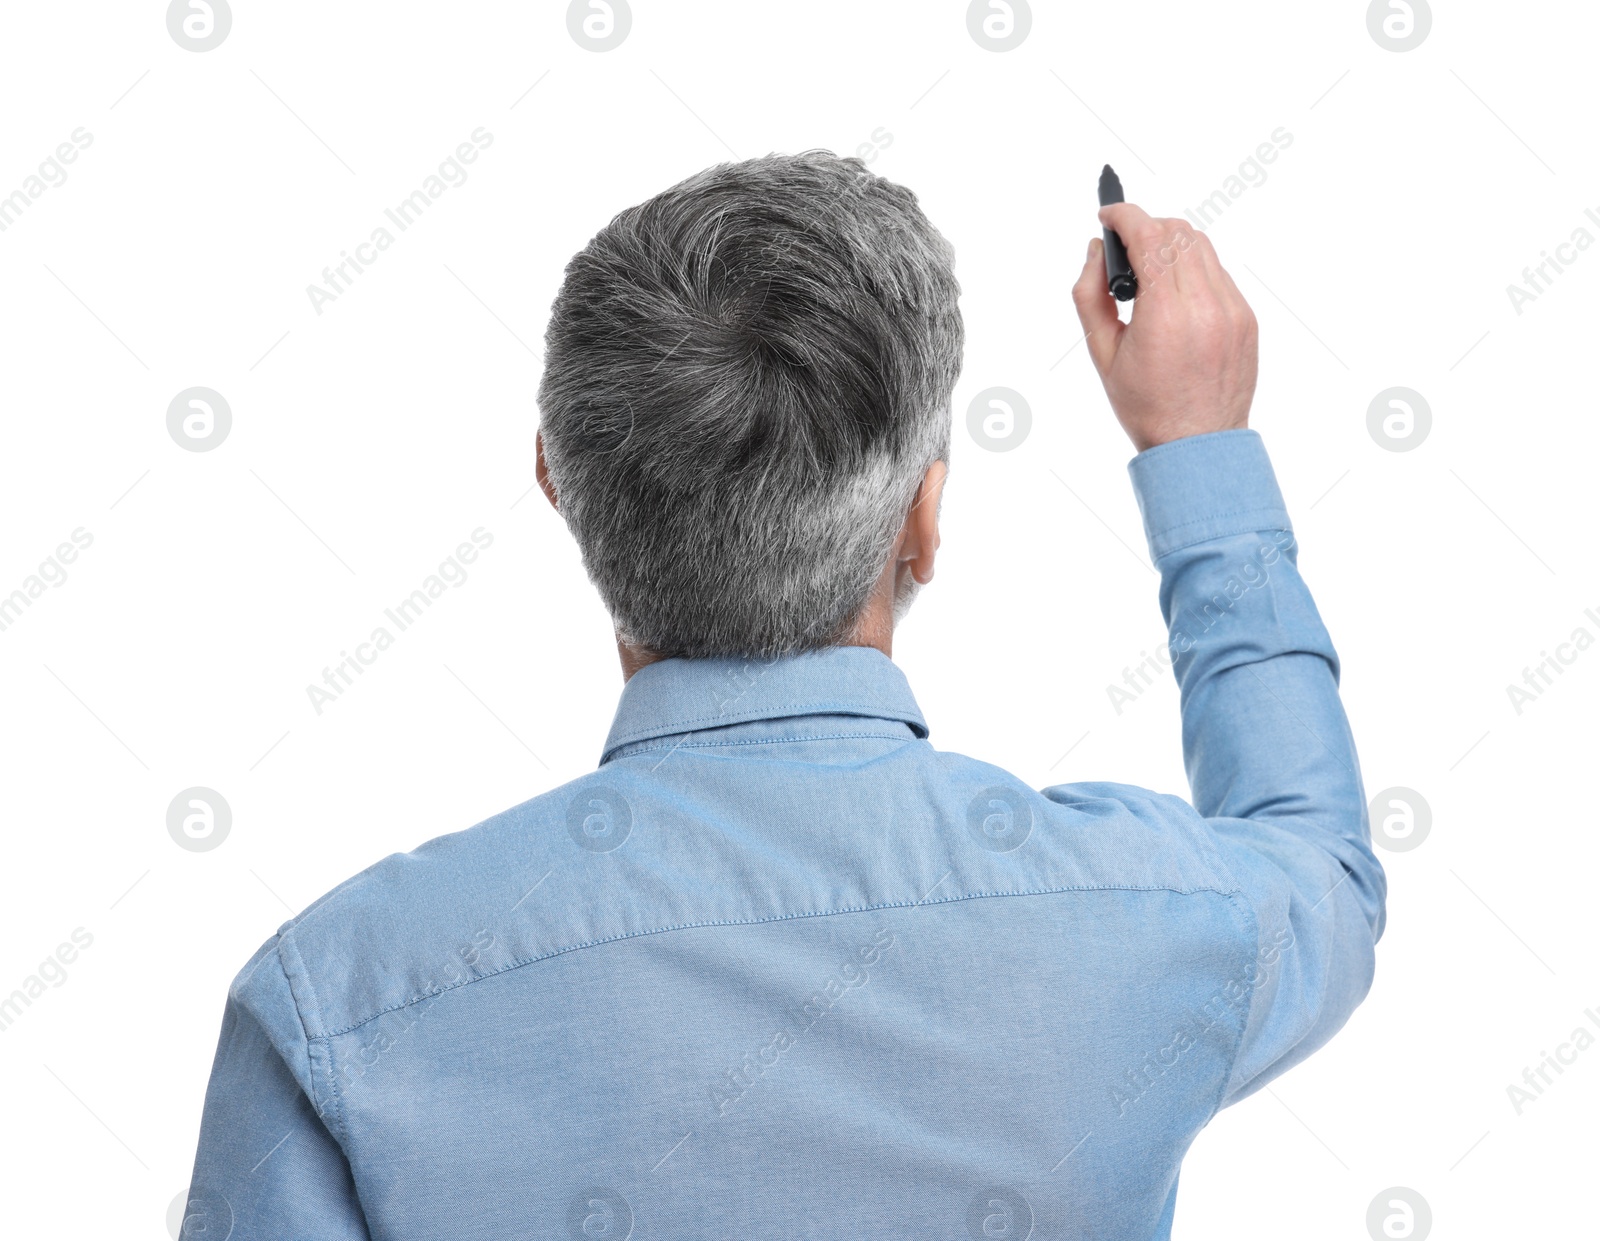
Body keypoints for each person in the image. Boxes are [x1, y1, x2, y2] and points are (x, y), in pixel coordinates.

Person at [181, 151, 1385, 1240]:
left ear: (561, 486)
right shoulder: (1159, 919)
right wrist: (1195, 445)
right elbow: (1319, 864)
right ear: (923, 518)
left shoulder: (335, 1002)